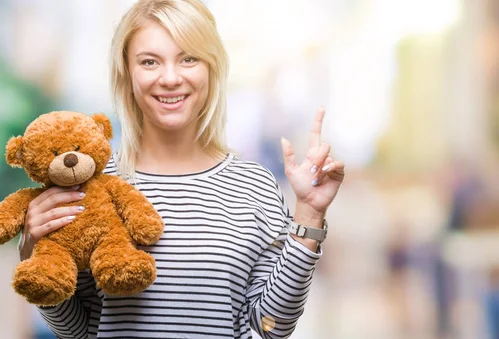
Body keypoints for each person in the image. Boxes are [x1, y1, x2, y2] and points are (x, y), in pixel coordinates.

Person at [18, 0, 345, 338]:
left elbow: (270, 329)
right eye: (149, 62)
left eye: (188, 58)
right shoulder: (89, 189)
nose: (170, 78)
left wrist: (308, 215)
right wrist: (34, 255)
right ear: (127, 73)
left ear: (211, 69)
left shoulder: (255, 186)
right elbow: (80, 332)